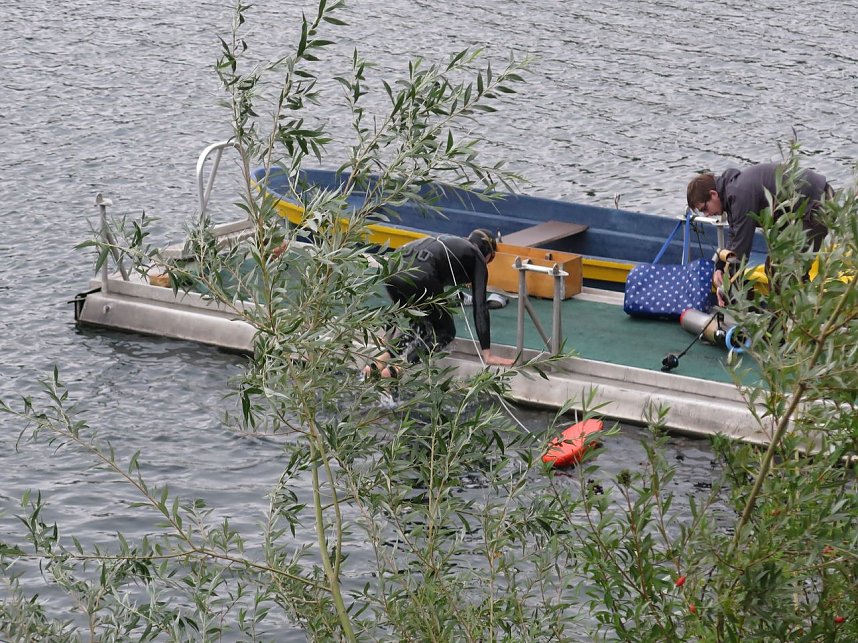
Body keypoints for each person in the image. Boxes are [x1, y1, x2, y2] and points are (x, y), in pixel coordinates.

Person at [364, 228, 515, 378]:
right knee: (445, 332)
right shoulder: (477, 257)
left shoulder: (450, 243)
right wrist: (487, 353)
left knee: (419, 327)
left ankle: (376, 365)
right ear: (488, 254)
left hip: (392, 269)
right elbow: (480, 307)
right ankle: (395, 371)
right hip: (420, 274)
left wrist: (390, 327)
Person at [686, 162, 831, 306]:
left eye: (705, 208)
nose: (707, 214)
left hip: (818, 204)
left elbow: (740, 251)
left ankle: (801, 317)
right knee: (773, 266)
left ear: (713, 194)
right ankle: (789, 315)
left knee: (788, 270)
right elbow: (734, 235)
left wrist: (726, 288)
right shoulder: (731, 192)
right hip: (798, 212)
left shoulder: (739, 194)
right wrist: (719, 267)